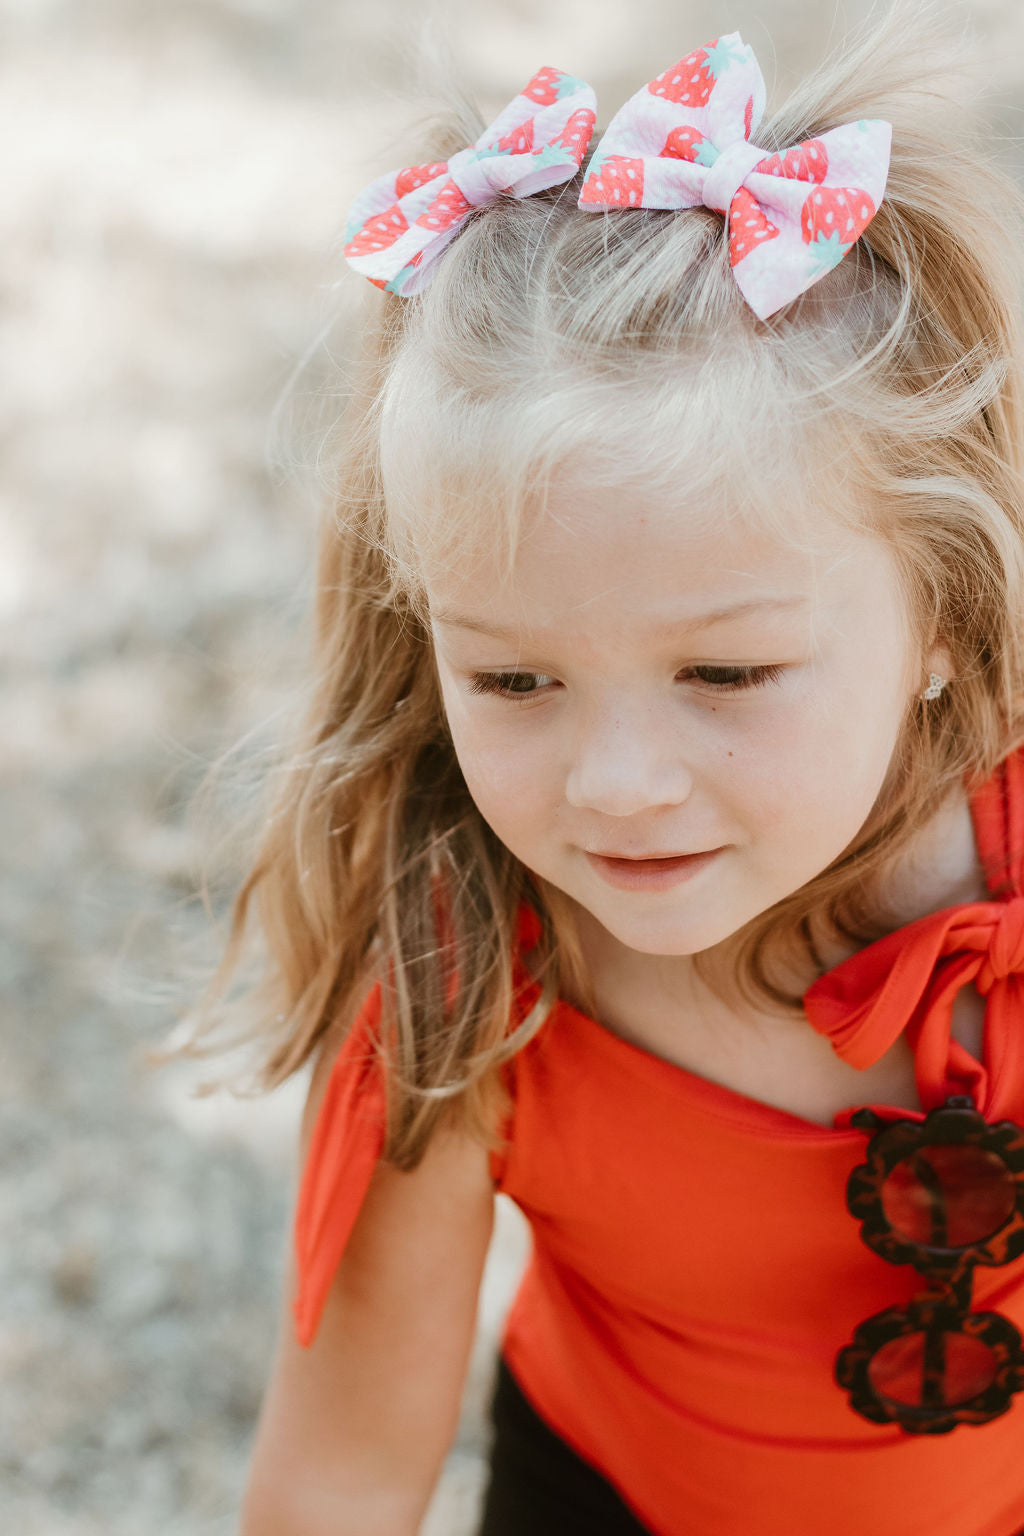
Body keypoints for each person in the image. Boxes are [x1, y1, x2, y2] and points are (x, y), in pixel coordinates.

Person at [180, 5, 1024, 1532]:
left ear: (944, 621)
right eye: (513, 679)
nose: (616, 783)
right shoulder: (462, 980)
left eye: (726, 674)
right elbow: (344, 1477)